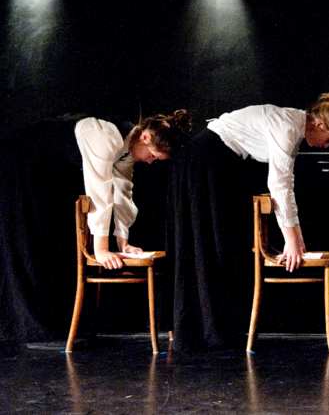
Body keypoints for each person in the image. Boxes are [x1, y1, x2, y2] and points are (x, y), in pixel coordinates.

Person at [168, 94, 329, 352]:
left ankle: (213, 331)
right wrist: (291, 241)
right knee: (206, 246)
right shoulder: (289, 126)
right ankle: (197, 333)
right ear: (320, 124)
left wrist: (297, 241)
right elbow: (279, 185)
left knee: (220, 247)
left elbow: (286, 187)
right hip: (204, 160)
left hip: (217, 162)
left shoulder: (295, 125)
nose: (326, 146)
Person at [0, 110, 193, 343]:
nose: (150, 162)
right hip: (22, 158)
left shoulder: (126, 149)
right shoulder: (105, 137)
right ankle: (29, 325)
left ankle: (57, 325)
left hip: (46, 168)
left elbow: (122, 193)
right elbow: (99, 194)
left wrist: (123, 242)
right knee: (29, 237)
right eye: (153, 155)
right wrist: (101, 250)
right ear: (145, 138)